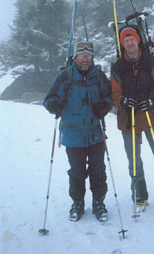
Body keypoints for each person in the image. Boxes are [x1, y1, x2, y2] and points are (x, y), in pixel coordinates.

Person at [111, 26, 154, 214]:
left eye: (132, 39)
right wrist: (123, 102)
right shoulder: (117, 67)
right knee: (134, 161)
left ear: (138, 41)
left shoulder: (152, 62)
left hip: (152, 116)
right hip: (129, 119)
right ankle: (140, 196)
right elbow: (114, 94)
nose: (129, 43)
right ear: (122, 45)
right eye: (126, 41)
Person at [43, 41, 112, 222]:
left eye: (89, 56)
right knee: (77, 172)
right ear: (75, 56)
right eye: (82, 55)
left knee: (98, 170)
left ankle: (99, 202)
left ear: (92, 57)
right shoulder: (65, 76)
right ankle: (77, 203)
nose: (85, 59)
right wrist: (54, 105)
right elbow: (48, 100)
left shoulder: (99, 76)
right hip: (73, 135)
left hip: (95, 133)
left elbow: (109, 96)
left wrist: (104, 106)